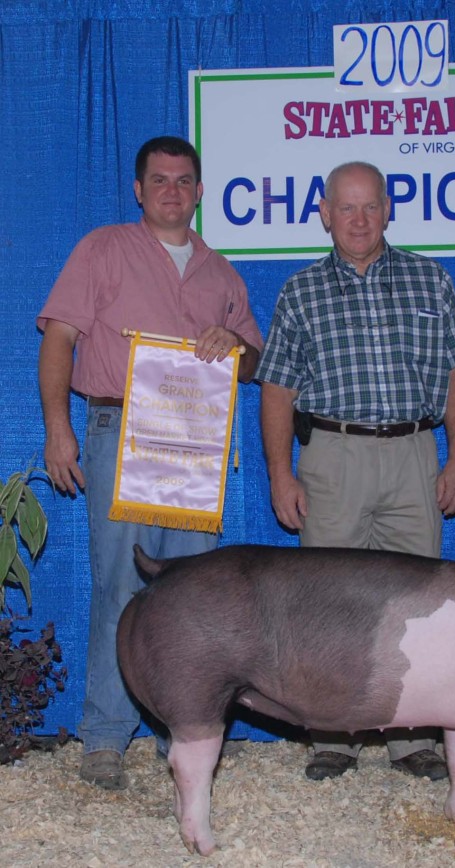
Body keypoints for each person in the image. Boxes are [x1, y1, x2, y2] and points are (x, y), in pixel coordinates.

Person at [37, 136, 263, 790]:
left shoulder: (221, 273)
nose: (171, 190)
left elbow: (255, 362)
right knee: (120, 584)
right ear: (139, 190)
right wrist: (59, 428)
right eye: (158, 180)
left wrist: (236, 349)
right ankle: (105, 738)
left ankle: (192, 729)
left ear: (199, 191)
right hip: (121, 426)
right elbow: (60, 337)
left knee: (194, 591)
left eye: (183, 180)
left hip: (198, 438)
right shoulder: (103, 249)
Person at [255, 161, 455, 782]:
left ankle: (412, 737)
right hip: (332, 452)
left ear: (387, 210)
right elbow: (276, 389)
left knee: (418, 599)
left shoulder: (429, 279)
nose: (358, 220)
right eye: (345, 208)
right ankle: (334, 733)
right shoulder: (300, 290)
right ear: (324, 213)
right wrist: (281, 473)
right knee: (329, 601)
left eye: (370, 206)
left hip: (413, 451)